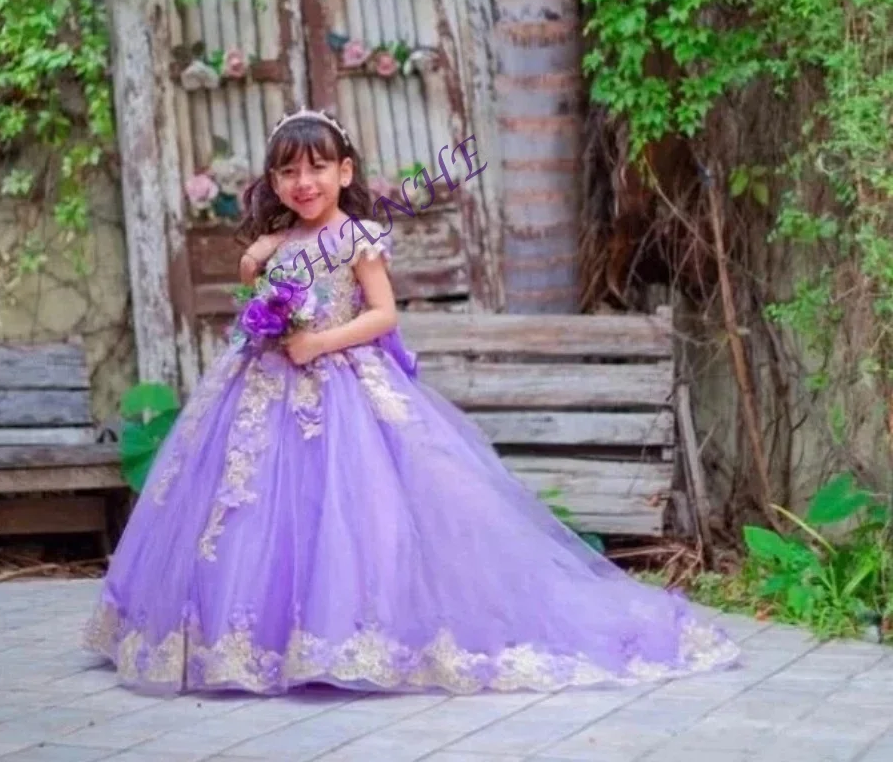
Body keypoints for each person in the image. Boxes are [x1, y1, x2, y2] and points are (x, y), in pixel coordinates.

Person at [84, 108, 739, 695]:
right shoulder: (274, 243)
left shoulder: (360, 237)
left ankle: (356, 632)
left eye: (317, 168)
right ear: (272, 183)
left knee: (350, 511)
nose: (303, 182)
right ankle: (255, 640)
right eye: (287, 172)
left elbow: (383, 315)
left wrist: (319, 343)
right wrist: (257, 269)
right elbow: (258, 303)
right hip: (262, 393)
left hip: (342, 385)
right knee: (254, 507)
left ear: (344, 172)